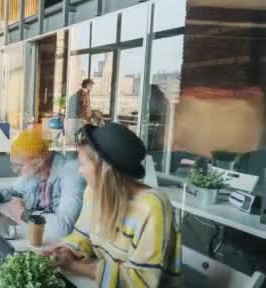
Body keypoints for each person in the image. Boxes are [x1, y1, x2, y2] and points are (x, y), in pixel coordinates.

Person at [44, 123, 181, 287]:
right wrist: (66, 250)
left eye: (83, 164)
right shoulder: (93, 193)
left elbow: (141, 281)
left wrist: (74, 266)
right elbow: (82, 236)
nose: (80, 171)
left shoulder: (153, 207)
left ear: (105, 169)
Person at [0, 126, 86, 236]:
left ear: (39, 161)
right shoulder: (36, 171)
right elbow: (14, 189)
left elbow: (63, 228)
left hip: (61, 244)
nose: (16, 171)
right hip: (37, 236)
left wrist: (25, 215)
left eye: (20, 166)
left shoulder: (72, 173)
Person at [65, 79, 94, 145]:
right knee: (80, 137)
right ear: (87, 86)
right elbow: (82, 109)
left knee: (82, 137)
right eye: (91, 85)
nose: (92, 87)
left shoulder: (85, 94)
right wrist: (85, 119)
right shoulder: (81, 95)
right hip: (82, 119)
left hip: (83, 119)